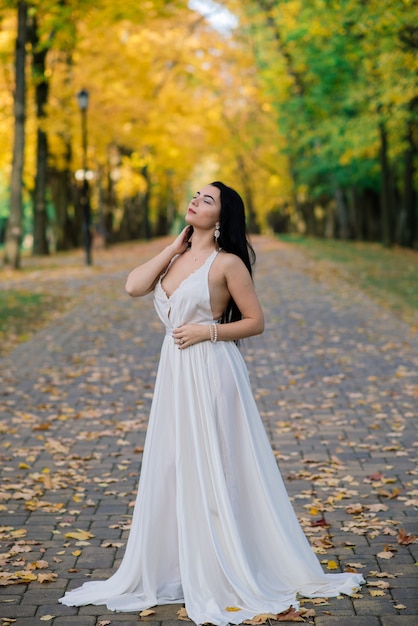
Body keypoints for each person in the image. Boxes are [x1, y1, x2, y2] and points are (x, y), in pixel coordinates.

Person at [59, 182, 364, 625]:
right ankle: (182, 563)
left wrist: (209, 331)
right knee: (173, 464)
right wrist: (172, 247)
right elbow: (133, 286)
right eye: (196, 195)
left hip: (213, 369)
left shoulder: (229, 263)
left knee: (216, 465)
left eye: (207, 199)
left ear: (221, 217)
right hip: (175, 373)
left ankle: (225, 564)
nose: (196, 201)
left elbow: (256, 322)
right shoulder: (176, 257)